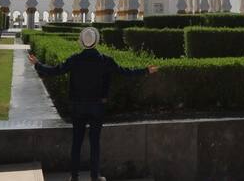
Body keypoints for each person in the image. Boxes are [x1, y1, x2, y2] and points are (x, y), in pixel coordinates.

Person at [29, 27, 157, 181]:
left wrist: (37, 64)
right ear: (96, 42)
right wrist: (145, 71)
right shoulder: (105, 60)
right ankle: (94, 177)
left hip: (78, 106)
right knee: (95, 143)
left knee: (76, 143)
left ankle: (74, 177)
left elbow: (55, 71)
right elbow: (125, 72)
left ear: (82, 42)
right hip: (97, 106)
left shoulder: (74, 59)